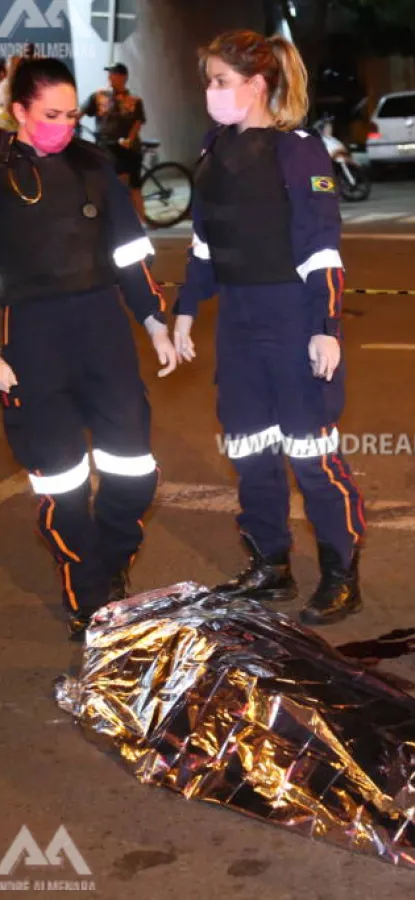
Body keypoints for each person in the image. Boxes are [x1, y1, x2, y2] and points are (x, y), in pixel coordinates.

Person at [172, 30, 366, 626]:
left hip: (290, 316)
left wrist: (324, 326)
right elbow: (206, 243)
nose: (212, 92)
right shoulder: (213, 149)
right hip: (236, 316)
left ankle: (340, 572)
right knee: (250, 447)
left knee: (311, 451)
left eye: (221, 81)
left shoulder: (298, 150)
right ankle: (270, 565)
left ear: (256, 85)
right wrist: (184, 309)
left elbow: (321, 247)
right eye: (209, 81)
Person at [0, 58, 178, 641]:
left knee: (134, 470)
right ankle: (88, 597)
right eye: (51, 115)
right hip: (28, 338)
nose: (64, 125)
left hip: (102, 330)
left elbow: (130, 251)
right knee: (63, 482)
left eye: (72, 114)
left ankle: (110, 562)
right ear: (18, 111)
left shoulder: (94, 167)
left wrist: (153, 319)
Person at [79, 63, 147, 222]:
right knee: (117, 182)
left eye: (114, 74)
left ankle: (141, 220)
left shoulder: (134, 100)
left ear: (123, 77)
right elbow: (80, 113)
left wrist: (130, 139)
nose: (109, 77)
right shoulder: (98, 96)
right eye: (109, 74)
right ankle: (123, 221)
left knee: (134, 186)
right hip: (107, 147)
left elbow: (138, 121)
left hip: (129, 149)